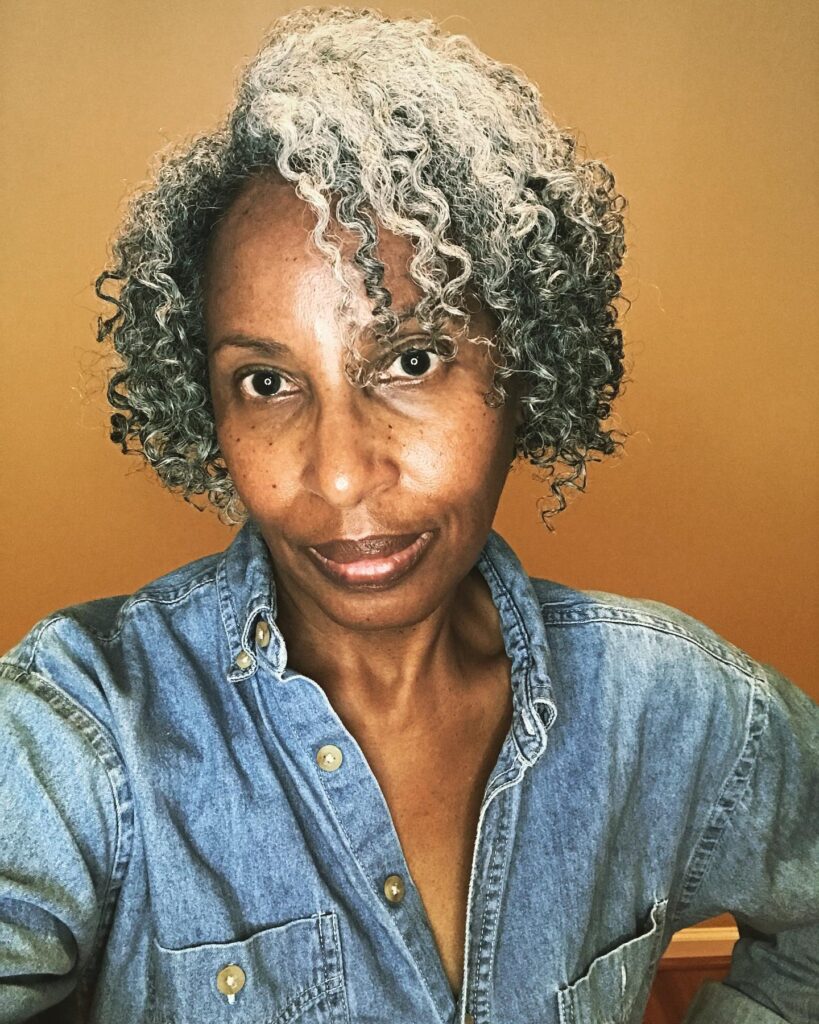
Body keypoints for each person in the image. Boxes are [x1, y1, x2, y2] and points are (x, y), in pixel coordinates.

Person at [0, 7, 816, 1023]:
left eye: (412, 360)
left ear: (525, 370)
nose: (341, 476)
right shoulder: (85, 729)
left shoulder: (668, 709)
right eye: (265, 381)